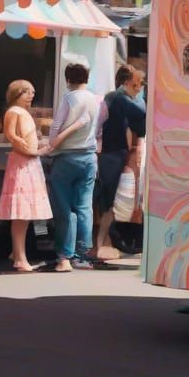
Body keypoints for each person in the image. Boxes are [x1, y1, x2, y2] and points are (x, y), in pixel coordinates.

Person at [48, 62, 102, 272]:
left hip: (66, 157)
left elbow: (56, 126)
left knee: (64, 207)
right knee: (84, 206)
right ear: (86, 78)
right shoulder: (95, 100)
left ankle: (65, 255)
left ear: (68, 79)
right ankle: (82, 255)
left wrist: (51, 143)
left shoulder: (69, 98)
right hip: (88, 157)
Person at [0, 81, 53, 272]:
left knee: (25, 213)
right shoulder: (13, 111)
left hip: (28, 163)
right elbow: (11, 135)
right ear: (16, 94)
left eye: (32, 92)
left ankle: (17, 253)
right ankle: (20, 258)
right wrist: (30, 150)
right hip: (22, 164)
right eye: (26, 92)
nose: (31, 96)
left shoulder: (23, 112)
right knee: (21, 213)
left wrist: (36, 148)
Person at [93, 65, 146, 259]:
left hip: (109, 154)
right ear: (126, 83)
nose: (139, 88)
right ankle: (100, 244)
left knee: (106, 201)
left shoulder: (112, 98)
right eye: (136, 84)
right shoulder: (119, 98)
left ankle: (102, 243)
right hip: (113, 154)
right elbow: (141, 120)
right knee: (108, 201)